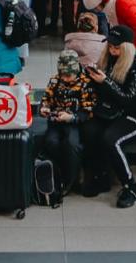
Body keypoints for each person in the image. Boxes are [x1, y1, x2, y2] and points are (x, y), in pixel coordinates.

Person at [81, 26, 136, 208]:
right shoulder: (107, 60)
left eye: (116, 48)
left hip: (133, 114)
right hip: (110, 111)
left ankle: (131, 186)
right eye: (110, 46)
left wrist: (106, 82)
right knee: (89, 130)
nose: (112, 50)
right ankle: (100, 176)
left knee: (111, 140)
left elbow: (130, 99)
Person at [41, 49, 96, 196]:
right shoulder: (54, 80)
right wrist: (45, 108)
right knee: (50, 142)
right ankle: (63, 170)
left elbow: (88, 110)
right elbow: (46, 99)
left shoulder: (85, 83)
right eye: (62, 75)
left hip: (74, 122)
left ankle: (70, 181)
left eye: (68, 75)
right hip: (56, 120)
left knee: (72, 144)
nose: (65, 79)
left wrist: (71, 117)